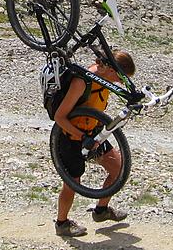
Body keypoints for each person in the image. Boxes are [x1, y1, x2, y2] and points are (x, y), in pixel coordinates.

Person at [52, 49, 136, 237]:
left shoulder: (105, 80)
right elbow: (60, 117)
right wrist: (82, 137)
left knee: (118, 169)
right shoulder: (82, 82)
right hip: (70, 136)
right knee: (72, 183)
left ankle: (101, 211)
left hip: (94, 132)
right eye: (121, 78)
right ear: (112, 70)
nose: (120, 83)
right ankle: (62, 223)